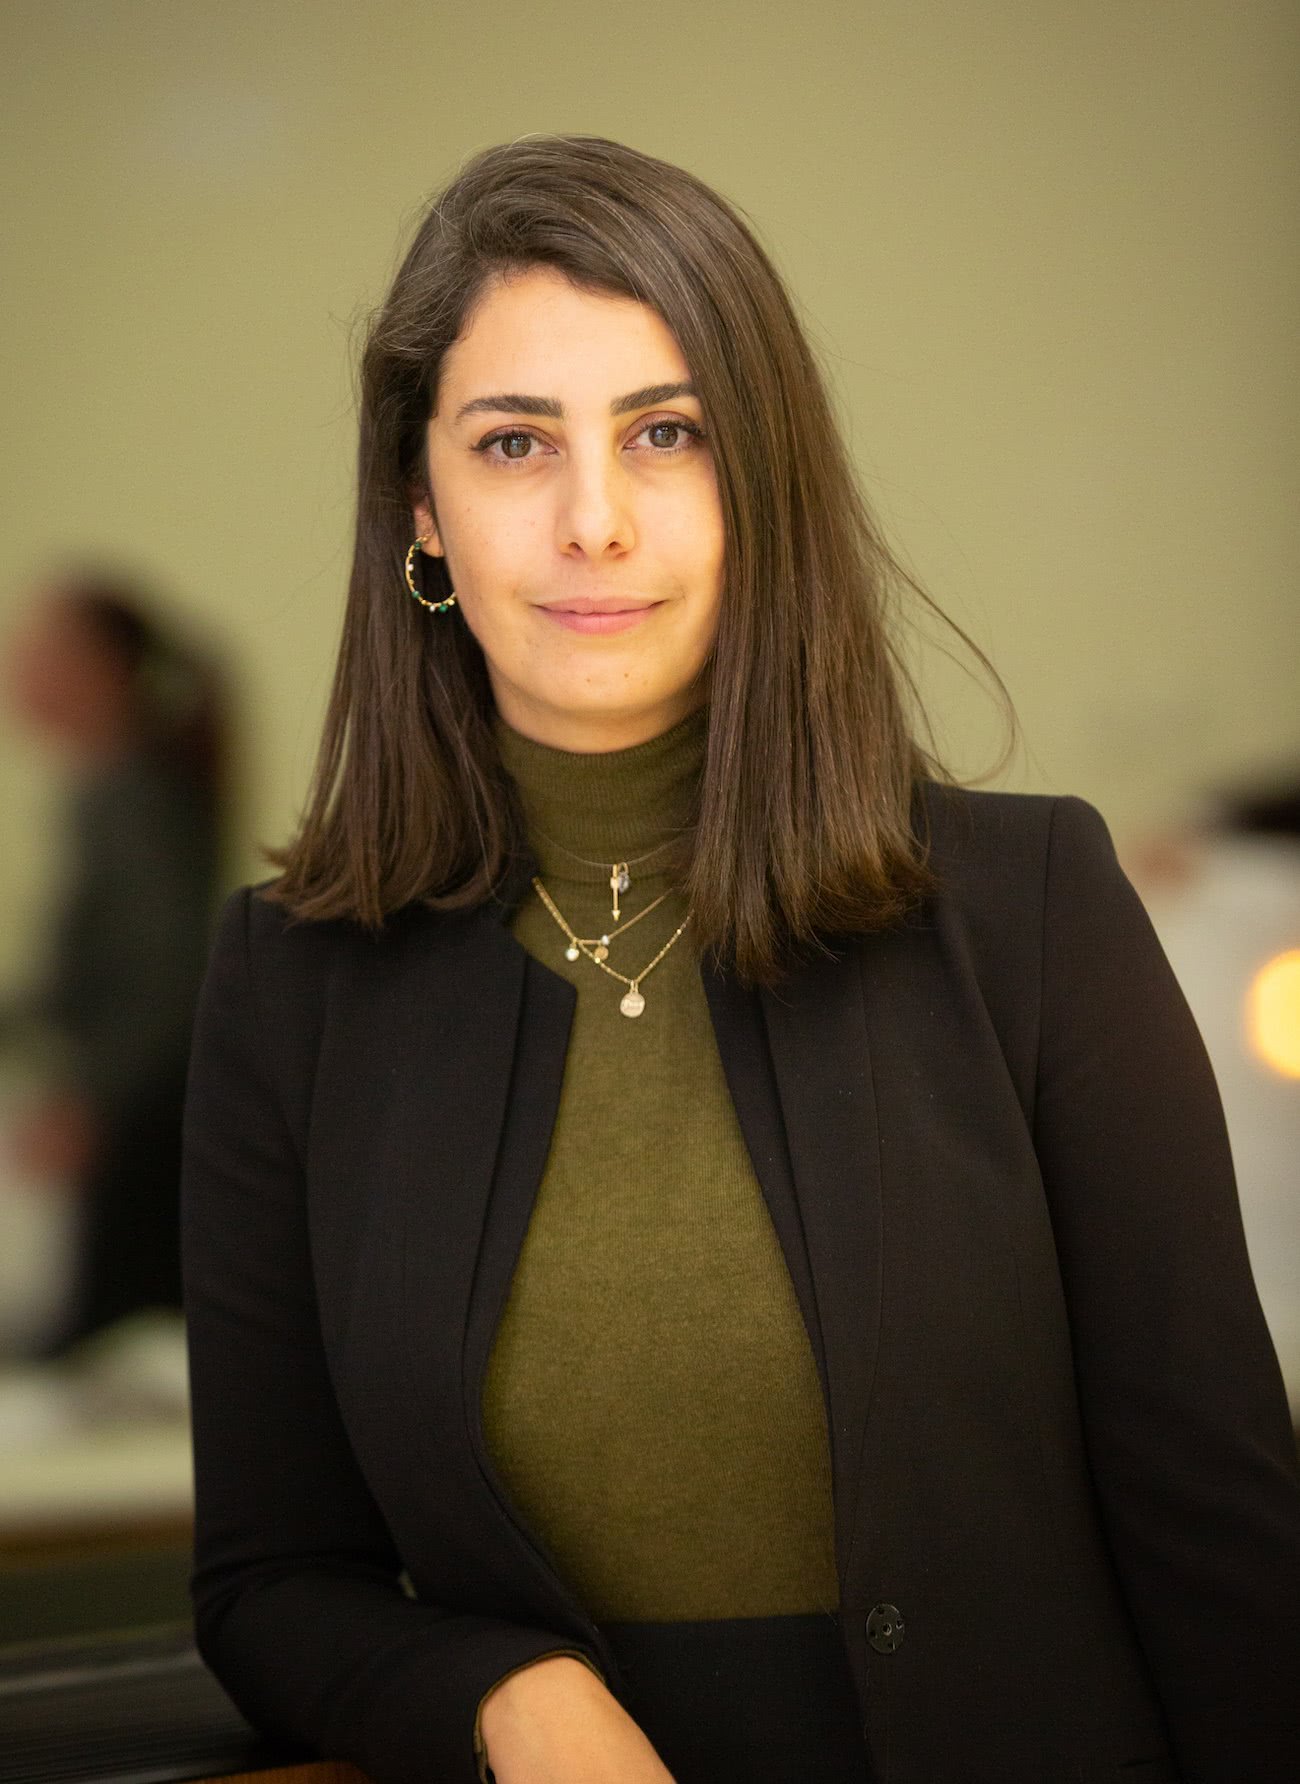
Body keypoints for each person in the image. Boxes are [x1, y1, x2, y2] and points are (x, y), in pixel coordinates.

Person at [179, 135, 1300, 1784]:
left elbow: (1224, 1538)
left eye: (668, 433)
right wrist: (500, 1695)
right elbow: (269, 1582)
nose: (594, 520)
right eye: (513, 443)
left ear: (761, 479)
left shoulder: (1033, 909)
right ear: (421, 506)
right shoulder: (290, 982)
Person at [2, 570, 225, 1356]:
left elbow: (166, 973)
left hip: (141, 1127)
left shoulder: (132, 797)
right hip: (141, 1115)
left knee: (109, 1351)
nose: (18, 663)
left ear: (101, 669)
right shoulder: (116, 786)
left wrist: (92, 1103)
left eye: (43, 647)